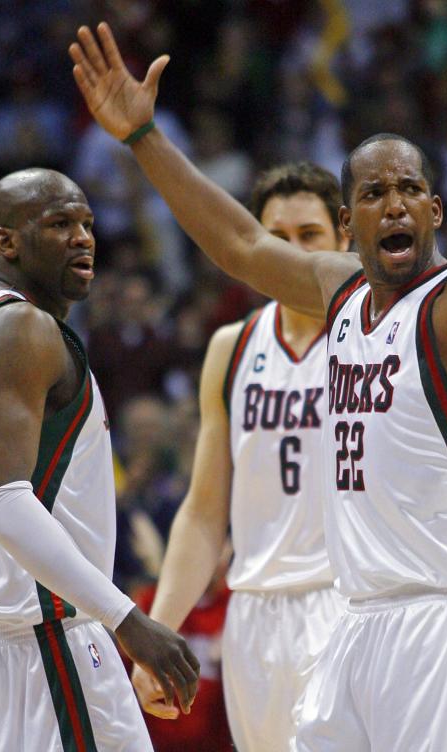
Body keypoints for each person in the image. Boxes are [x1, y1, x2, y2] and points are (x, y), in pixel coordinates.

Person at [70, 21, 447, 750]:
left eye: (410, 190)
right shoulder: (337, 292)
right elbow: (241, 244)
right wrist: (145, 138)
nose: (394, 204)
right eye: (374, 192)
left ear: (434, 210)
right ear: (348, 222)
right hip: (357, 622)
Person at [0, 168, 200, 752]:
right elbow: (1, 500)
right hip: (36, 642)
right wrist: (128, 622)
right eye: (59, 224)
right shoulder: (22, 330)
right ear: (6, 241)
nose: (83, 237)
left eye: (86, 223)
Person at [130, 162, 349, 751]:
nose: (294, 255)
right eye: (276, 240)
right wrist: (161, 631)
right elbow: (203, 514)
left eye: (310, 237)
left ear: (344, 241)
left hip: (346, 603)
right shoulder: (232, 348)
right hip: (251, 613)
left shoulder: (371, 338)